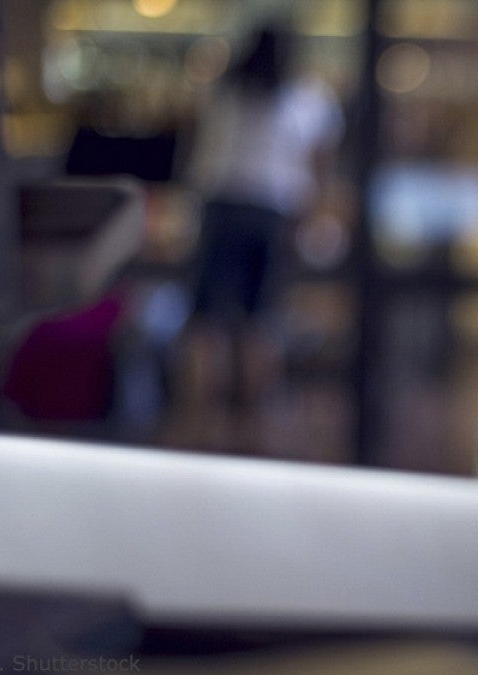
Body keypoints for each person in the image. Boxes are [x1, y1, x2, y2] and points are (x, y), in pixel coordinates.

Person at [174, 24, 343, 449]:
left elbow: (193, 151)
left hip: (218, 206)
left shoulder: (221, 91)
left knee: (206, 322)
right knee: (260, 321)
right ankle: (253, 426)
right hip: (270, 212)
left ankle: (198, 422)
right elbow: (319, 168)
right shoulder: (308, 97)